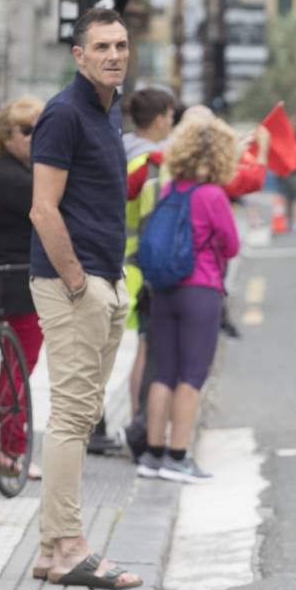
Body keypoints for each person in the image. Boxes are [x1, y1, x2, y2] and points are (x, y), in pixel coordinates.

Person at [28, 7, 139, 590]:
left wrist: (107, 283)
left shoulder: (107, 110)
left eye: (121, 44)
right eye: (101, 47)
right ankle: (70, 545)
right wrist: (78, 283)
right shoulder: (64, 113)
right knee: (72, 417)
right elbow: (43, 208)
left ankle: (51, 549)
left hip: (104, 279)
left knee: (82, 413)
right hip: (73, 282)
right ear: (79, 55)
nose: (114, 55)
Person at [134, 117, 240, 482]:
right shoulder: (212, 196)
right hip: (200, 291)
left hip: (164, 289)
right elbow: (232, 244)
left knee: (163, 373)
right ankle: (178, 457)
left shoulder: (172, 190)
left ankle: (153, 454)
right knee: (192, 376)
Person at [0, 96, 46, 480]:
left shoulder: (13, 171)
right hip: (18, 282)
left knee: (17, 366)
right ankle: (11, 449)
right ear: (7, 136)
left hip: (16, 278)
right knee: (17, 369)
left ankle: (12, 447)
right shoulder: (11, 178)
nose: (34, 137)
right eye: (27, 130)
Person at [119, 87, 177, 460]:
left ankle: (138, 419)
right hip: (144, 264)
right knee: (146, 348)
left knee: (140, 348)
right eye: (171, 117)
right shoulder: (152, 164)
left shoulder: (122, 152)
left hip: (125, 260)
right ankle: (141, 424)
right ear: (160, 119)